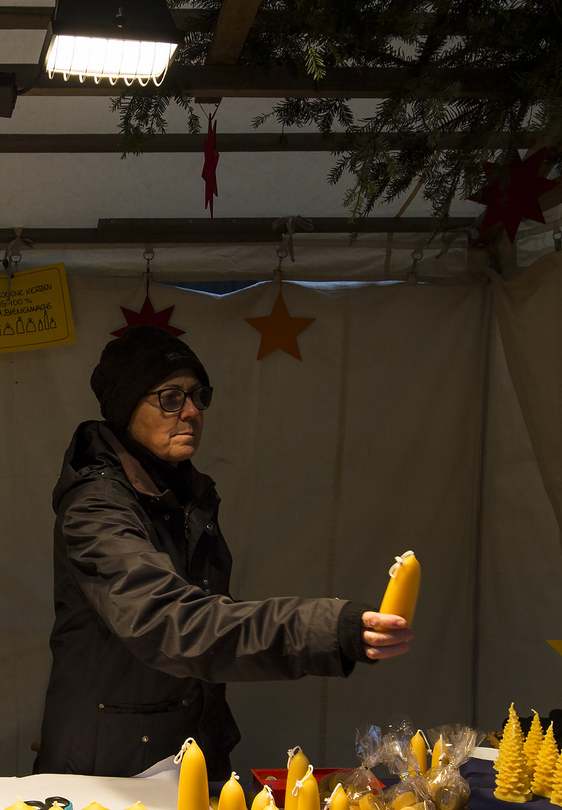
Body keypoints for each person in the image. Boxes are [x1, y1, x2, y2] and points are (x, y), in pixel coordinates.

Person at [36, 326, 412, 777]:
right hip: (111, 775)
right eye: (170, 398)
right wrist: (325, 628)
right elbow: (171, 622)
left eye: (198, 395)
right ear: (125, 408)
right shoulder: (95, 507)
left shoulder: (184, 494)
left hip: (186, 758)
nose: (192, 411)